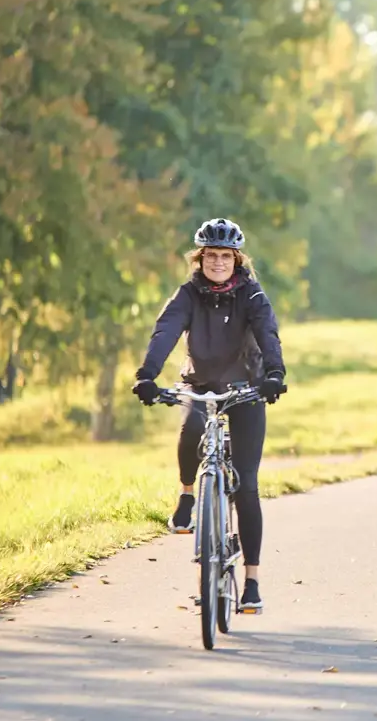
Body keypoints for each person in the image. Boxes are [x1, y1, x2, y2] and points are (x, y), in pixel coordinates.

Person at [131, 217, 287, 614]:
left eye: (225, 256)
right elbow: (165, 331)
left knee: (248, 486)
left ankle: (251, 582)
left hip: (246, 388)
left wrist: (274, 374)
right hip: (200, 384)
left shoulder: (252, 295)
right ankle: (187, 496)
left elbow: (268, 334)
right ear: (199, 259)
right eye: (210, 255)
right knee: (191, 431)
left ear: (237, 259)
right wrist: (147, 375)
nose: (218, 262)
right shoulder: (188, 295)